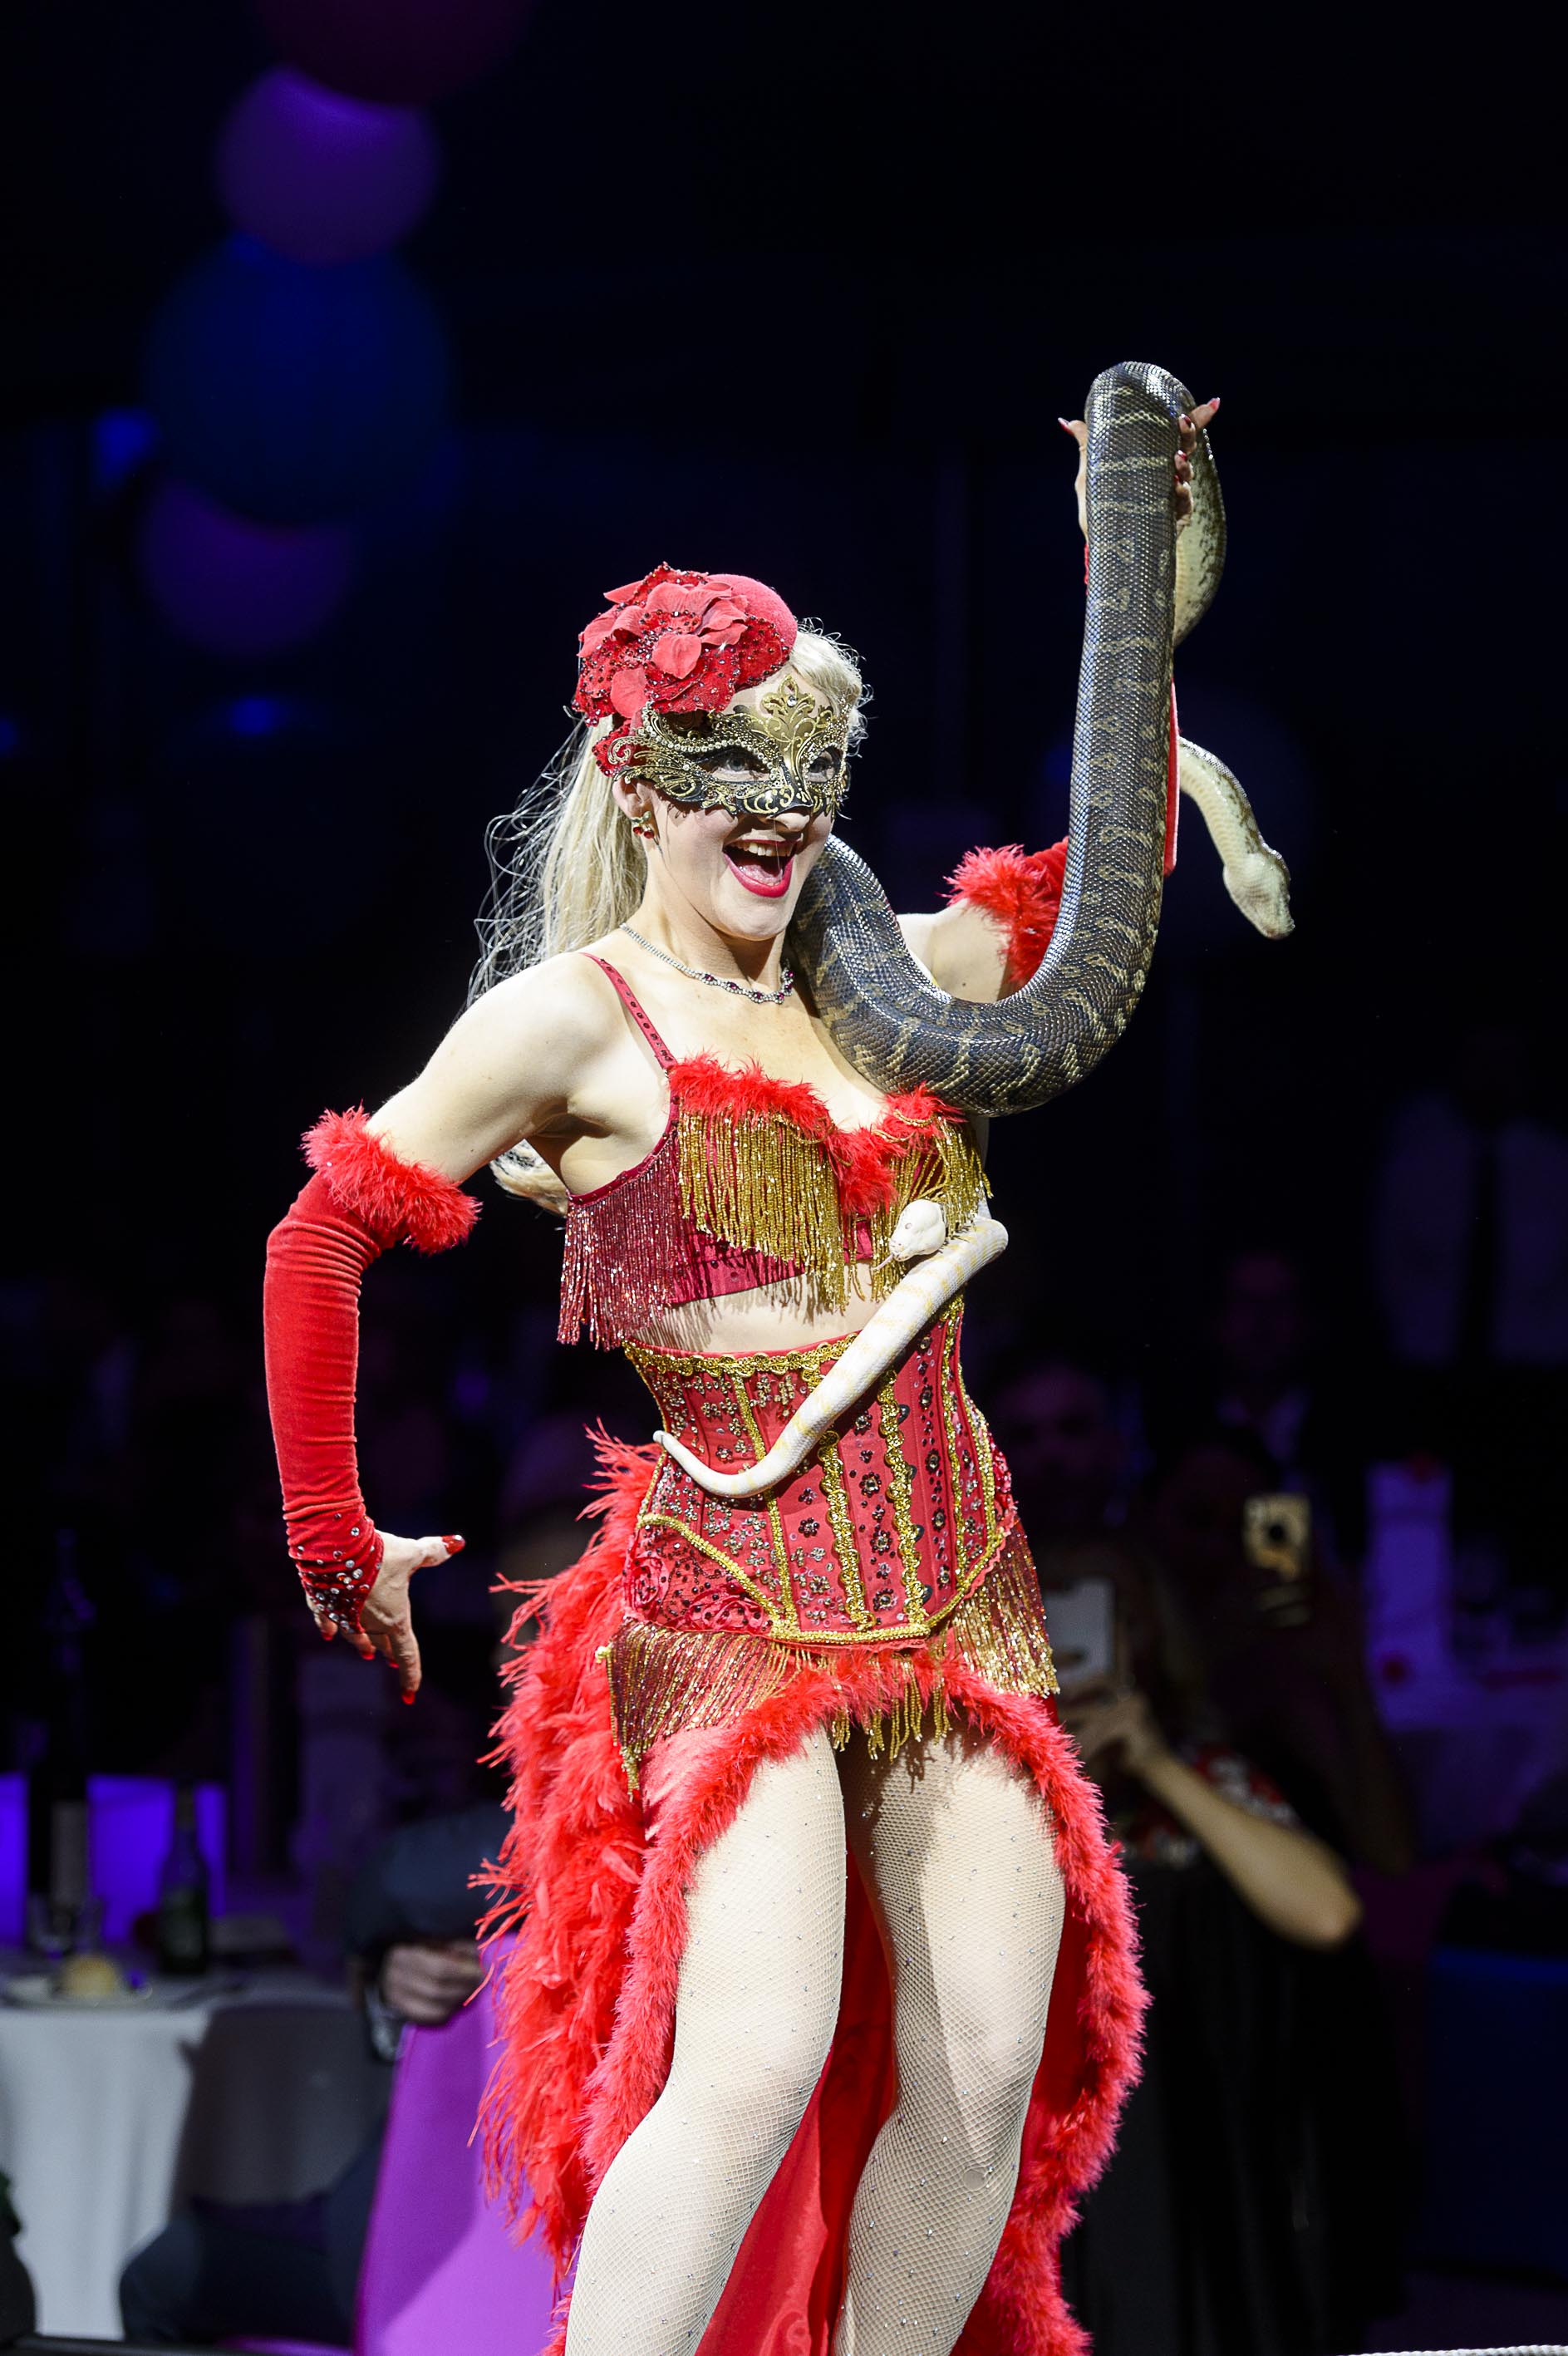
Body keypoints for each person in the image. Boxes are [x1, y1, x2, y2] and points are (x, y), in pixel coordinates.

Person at [263, 387, 1219, 2354]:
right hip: (736, 1590)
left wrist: (1136, 575)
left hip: (957, 1574)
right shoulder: (576, 1019)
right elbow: (320, 1233)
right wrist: (331, 1532)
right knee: (758, 2048)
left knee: (981, 2060)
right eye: (729, 772)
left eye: (812, 769)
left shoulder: (896, 977)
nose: (779, 809)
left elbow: (1107, 899)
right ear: (636, 784)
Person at [119, 1802, 505, 2346]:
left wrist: (376, 1935)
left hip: (443, 2254)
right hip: (530, 2253)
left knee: (162, 2273)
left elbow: (406, 1877)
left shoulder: (582, 1841)